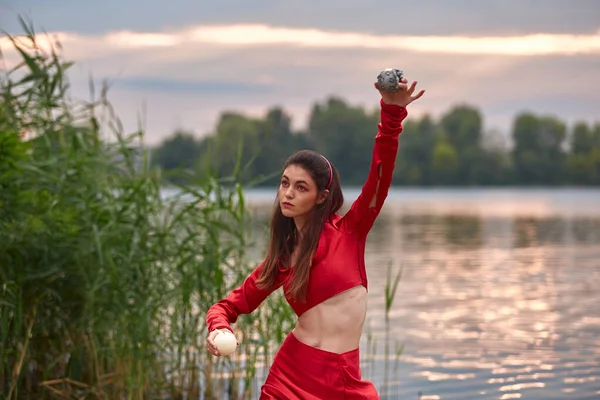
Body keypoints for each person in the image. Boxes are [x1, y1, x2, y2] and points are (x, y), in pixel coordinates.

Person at [206, 76, 425, 399]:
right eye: (284, 183)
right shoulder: (283, 258)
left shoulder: (350, 231)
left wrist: (391, 115)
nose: (288, 194)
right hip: (289, 379)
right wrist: (219, 328)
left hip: (343, 380)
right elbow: (226, 306)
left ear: (322, 196)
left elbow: (380, 176)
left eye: (301, 187)